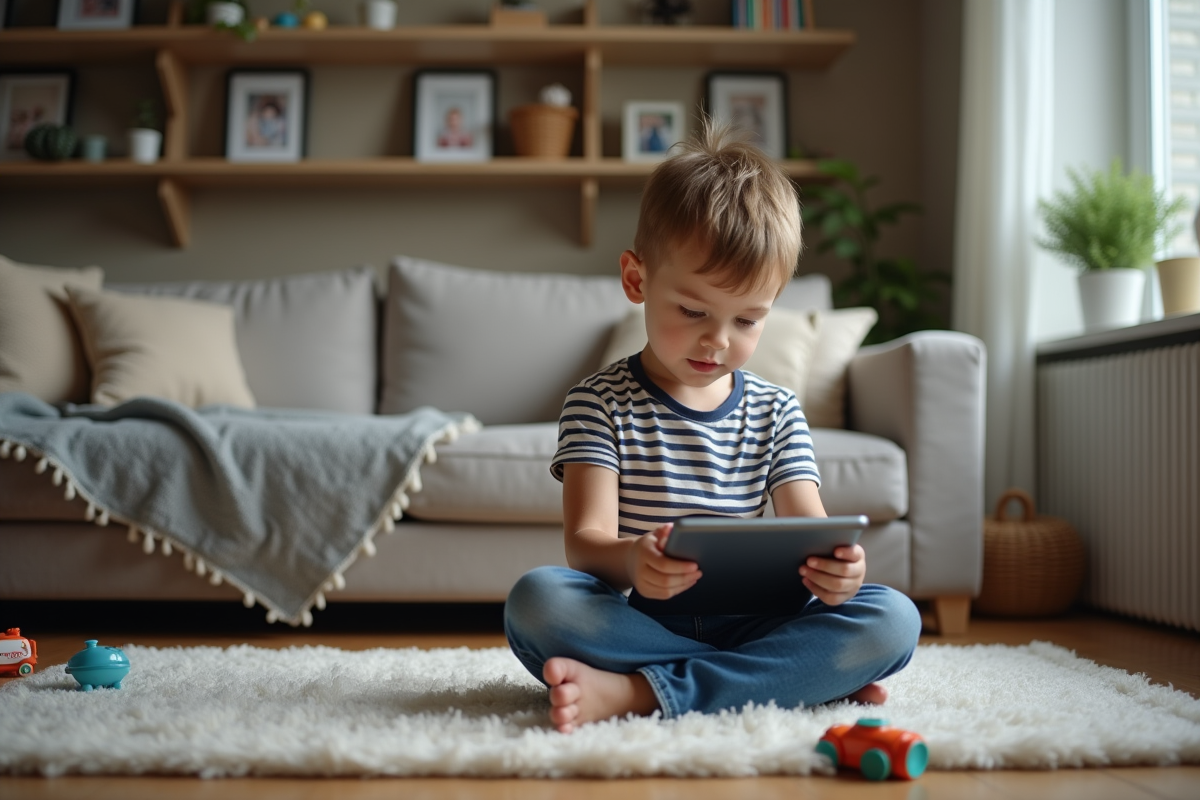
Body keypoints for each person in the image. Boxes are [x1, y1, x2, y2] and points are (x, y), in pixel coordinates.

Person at [503, 120, 922, 734]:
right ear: (637, 280)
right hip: (646, 623)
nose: (718, 340)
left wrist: (841, 572)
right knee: (537, 602)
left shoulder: (777, 410)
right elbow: (585, 544)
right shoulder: (597, 402)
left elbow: (810, 526)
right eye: (693, 310)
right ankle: (791, 678)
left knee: (892, 617)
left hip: (763, 620)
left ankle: (640, 695)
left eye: (748, 321)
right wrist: (632, 561)